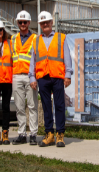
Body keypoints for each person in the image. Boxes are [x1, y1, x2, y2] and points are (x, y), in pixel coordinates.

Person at [29, 11, 73, 148]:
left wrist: (68, 75)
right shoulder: (36, 40)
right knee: (46, 107)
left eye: (47, 22)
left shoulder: (61, 38)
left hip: (58, 77)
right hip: (43, 78)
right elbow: (33, 60)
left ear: (51, 22)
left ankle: (60, 134)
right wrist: (32, 77)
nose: (45, 24)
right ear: (40, 25)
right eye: (42, 23)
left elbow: (67, 58)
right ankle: (49, 134)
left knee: (59, 105)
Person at [11, 10, 39, 145]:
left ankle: (33, 134)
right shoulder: (12, 39)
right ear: (17, 23)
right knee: (19, 107)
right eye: (20, 22)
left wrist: (35, 77)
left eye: (25, 22)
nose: (22, 24)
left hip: (30, 77)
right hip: (16, 76)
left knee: (33, 106)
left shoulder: (35, 38)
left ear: (29, 23)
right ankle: (22, 134)